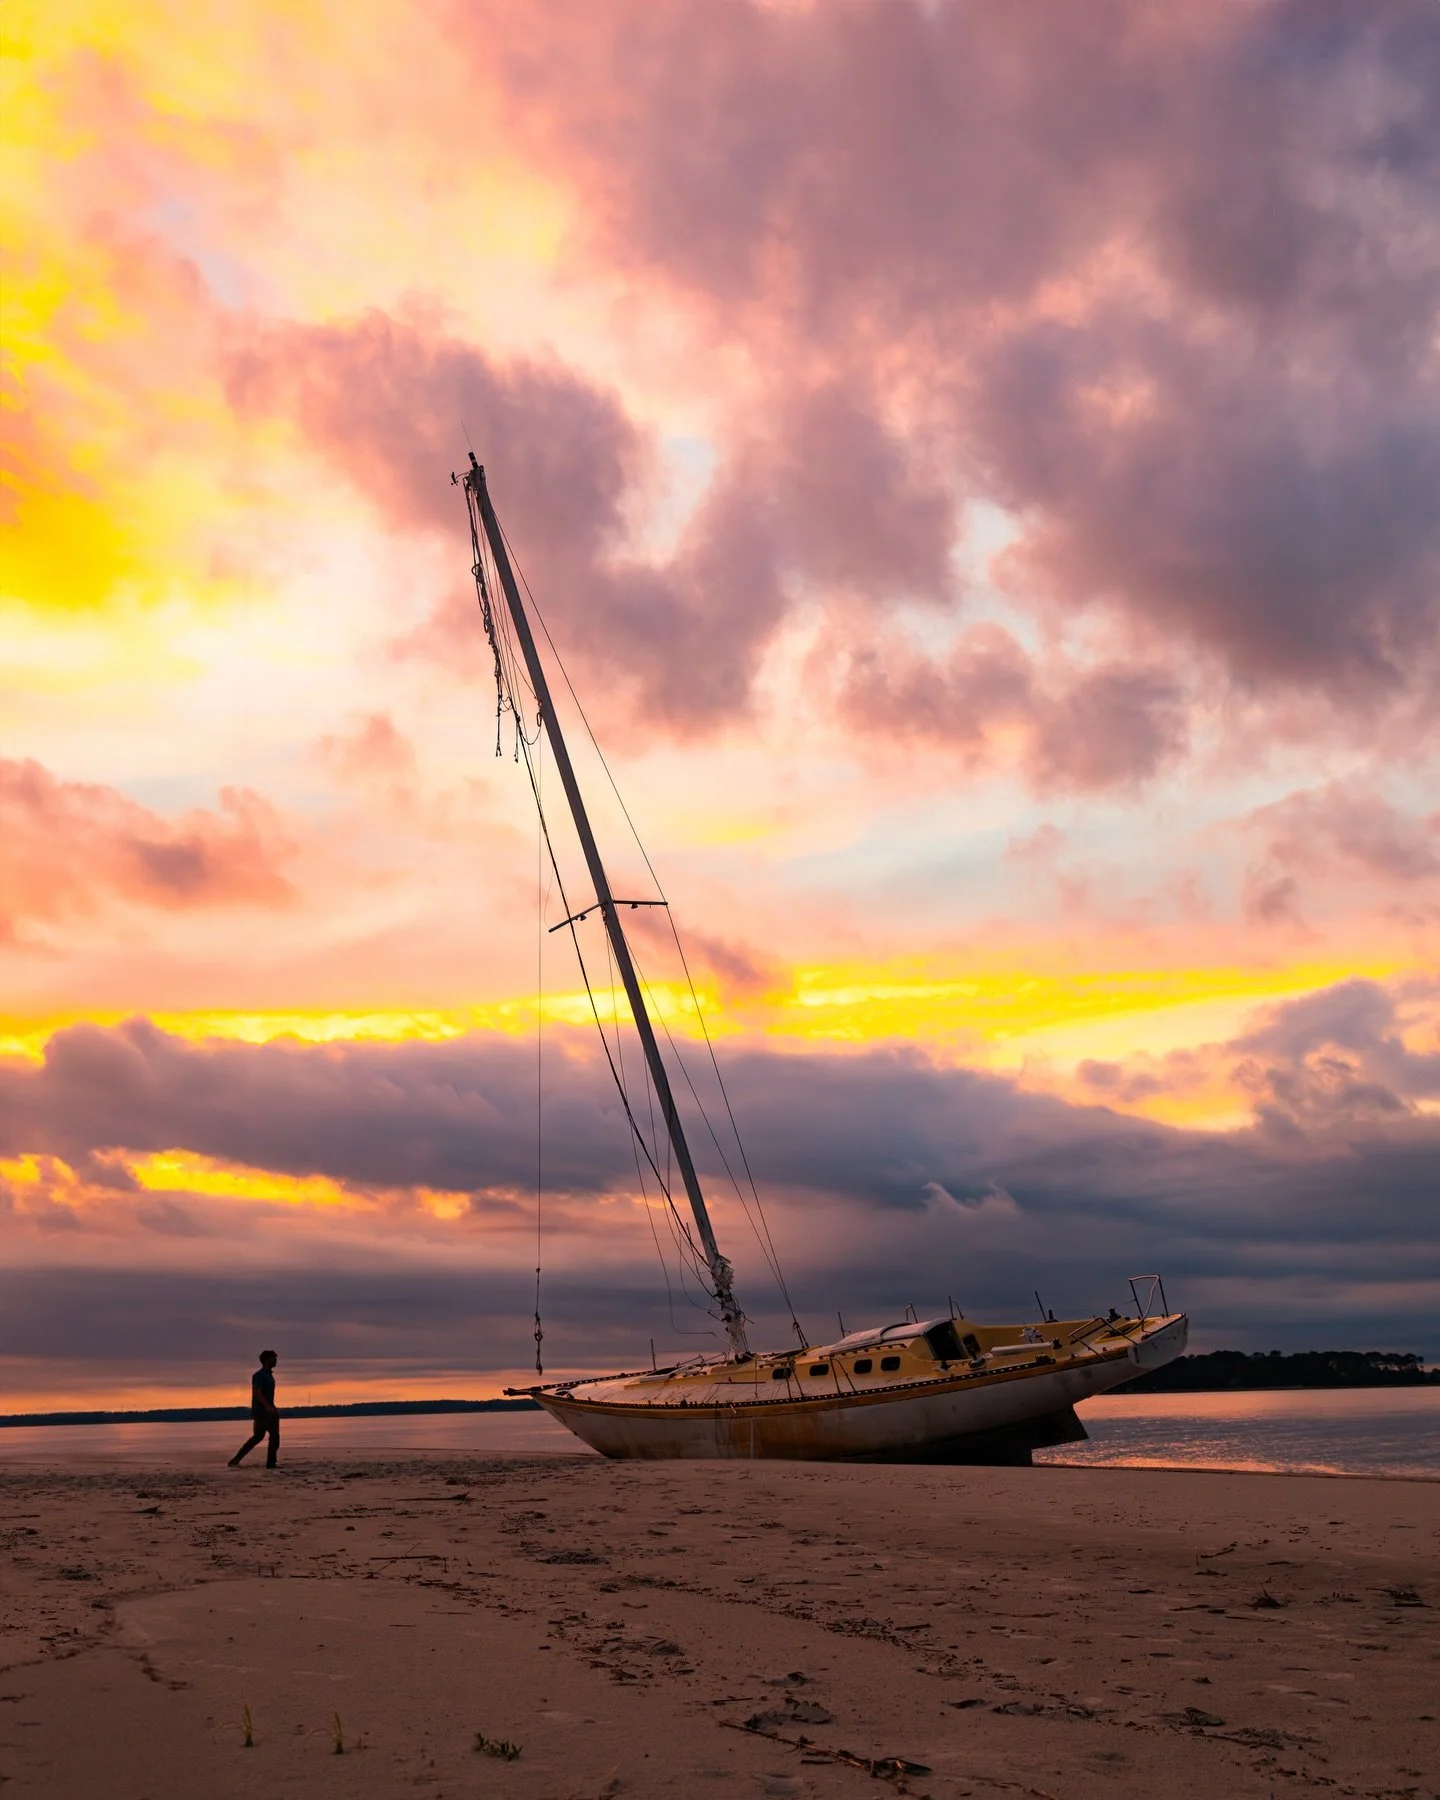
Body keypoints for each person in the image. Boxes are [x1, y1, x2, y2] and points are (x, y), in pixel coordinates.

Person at [228, 1350, 280, 1468]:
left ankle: (236, 1460)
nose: (276, 1360)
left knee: (264, 1436)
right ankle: (270, 1463)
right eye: (273, 1358)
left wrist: (271, 1408)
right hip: (262, 1411)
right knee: (268, 1436)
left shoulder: (270, 1376)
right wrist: (267, 1407)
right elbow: (257, 1392)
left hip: (270, 1410)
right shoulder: (259, 1376)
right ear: (267, 1360)